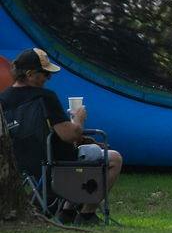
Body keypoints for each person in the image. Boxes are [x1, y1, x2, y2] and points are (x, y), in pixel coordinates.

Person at [2, 48, 122, 196]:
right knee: (114, 158)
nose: (48, 78)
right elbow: (70, 136)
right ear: (30, 74)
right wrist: (78, 119)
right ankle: (85, 209)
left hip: (21, 169)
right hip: (57, 165)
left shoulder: (3, 100)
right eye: (46, 74)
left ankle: (67, 207)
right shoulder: (45, 97)